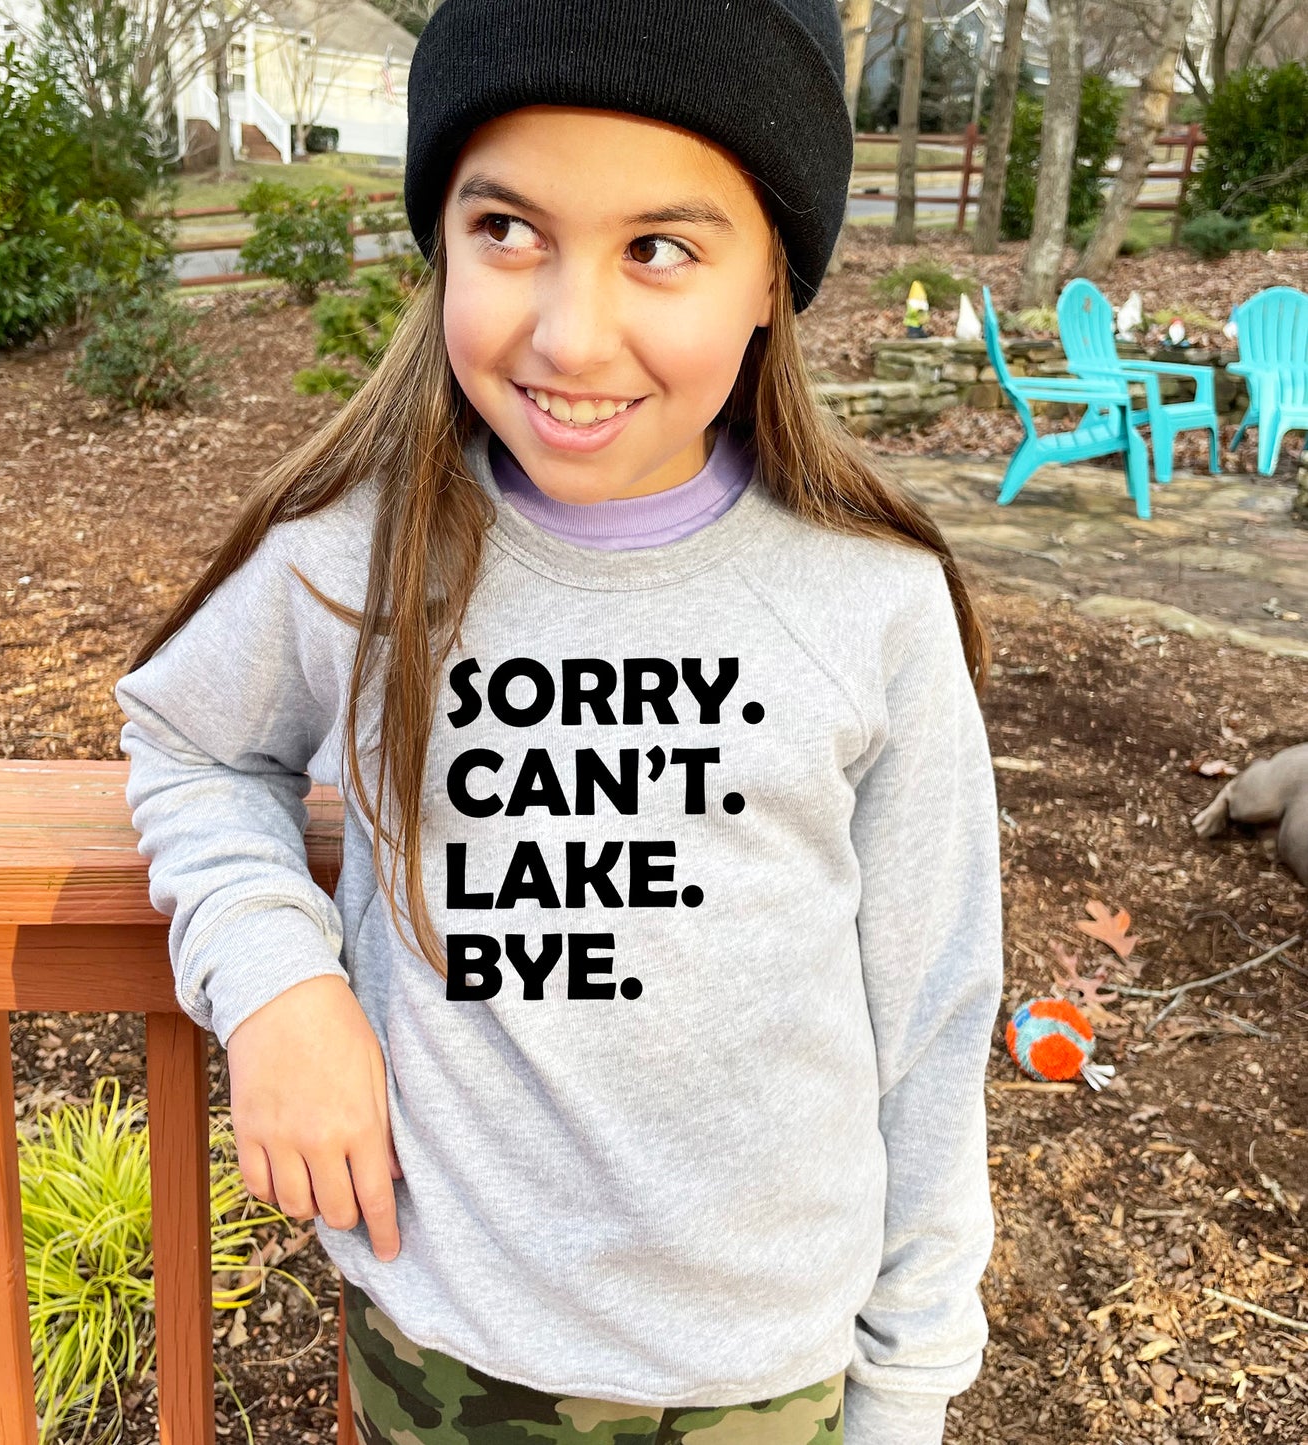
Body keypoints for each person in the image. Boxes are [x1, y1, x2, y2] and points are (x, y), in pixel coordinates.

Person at [114, 2, 1005, 1441]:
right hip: (443, 1347)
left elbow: (931, 1007)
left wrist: (904, 1382)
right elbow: (193, 740)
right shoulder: (353, 554)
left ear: (772, 273)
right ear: (442, 240)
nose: (569, 330)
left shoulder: (870, 605)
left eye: (658, 247)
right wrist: (276, 978)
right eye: (508, 230)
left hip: (762, 1374)